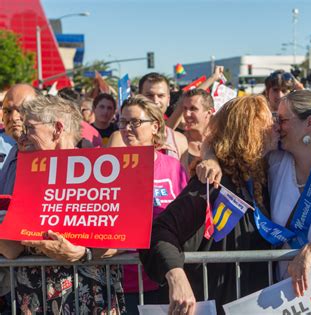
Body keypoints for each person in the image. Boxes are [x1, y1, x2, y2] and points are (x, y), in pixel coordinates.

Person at [197, 90, 311, 301]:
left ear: (309, 123)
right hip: (288, 298)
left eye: (282, 119)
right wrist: (210, 158)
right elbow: (224, 138)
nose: (276, 126)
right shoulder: (276, 162)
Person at [139, 95, 278, 314]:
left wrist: (209, 153)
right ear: (249, 132)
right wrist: (176, 277)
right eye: (267, 124)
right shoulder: (212, 183)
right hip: (219, 303)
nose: (275, 128)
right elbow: (160, 231)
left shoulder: (267, 175)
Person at [0, 95, 125, 314]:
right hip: (35, 300)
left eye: (29, 128)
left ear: (57, 129)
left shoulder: (103, 172)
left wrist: (82, 253)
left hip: (91, 300)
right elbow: (11, 250)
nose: (22, 136)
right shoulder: (24, 178)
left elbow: (126, 237)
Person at [118, 95, 188, 314]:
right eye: (122, 122)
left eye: (135, 122)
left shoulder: (173, 167)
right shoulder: (109, 168)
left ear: (155, 126)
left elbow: (185, 218)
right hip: (122, 282)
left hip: (164, 280)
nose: (127, 128)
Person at [107, 73, 188, 164]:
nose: (155, 101)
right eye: (149, 95)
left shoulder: (179, 140)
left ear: (168, 100)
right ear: (139, 97)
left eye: (161, 96)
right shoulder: (121, 138)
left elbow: (183, 177)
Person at [0, 84, 38, 194]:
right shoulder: (11, 148)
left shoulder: (52, 151)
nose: (13, 118)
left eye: (21, 110)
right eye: (7, 111)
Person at [180, 89, 214, 171]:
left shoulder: (221, 140)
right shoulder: (178, 141)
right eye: (185, 108)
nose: (187, 114)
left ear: (209, 113)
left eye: (193, 109)